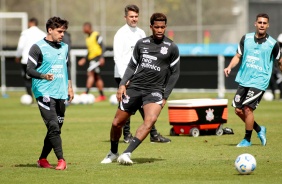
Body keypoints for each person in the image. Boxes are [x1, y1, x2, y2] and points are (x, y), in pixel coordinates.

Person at [101, 13, 180, 165]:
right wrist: (123, 84)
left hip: (155, 90)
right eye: (156, 27)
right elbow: (132, 66)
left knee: (150, 121)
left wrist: (165, 96)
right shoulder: (141, 43)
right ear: (151, 27)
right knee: (117, 123)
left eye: (162, 27)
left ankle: (127, 153)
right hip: (135, 87)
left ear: (166, 28)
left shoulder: (172, 47)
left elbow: (175, 74)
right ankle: (113, 152)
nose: (159, 30)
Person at [113, 4, 171, 143]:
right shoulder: (120, 34)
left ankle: (152, 134)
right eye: (131, 16)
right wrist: (124, 80)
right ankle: (127, 135)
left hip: (139, 76)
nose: (134, 19)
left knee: (144, 104)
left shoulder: (141, 33)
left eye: (136, 16)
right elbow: (118, 57)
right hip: (124, 75)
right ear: (125, 17)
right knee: (126, 106)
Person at [224, 13, 281, 147]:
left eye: (264, 23)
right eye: (259, 22)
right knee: (238, 110)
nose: (262, 25)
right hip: (244, 79)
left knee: (247, 109)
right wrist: (229, 66)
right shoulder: (246, 38)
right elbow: (238, 56)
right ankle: (260, 129)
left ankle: (247, 140)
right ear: (255, 23)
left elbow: (280, 62)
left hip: (260, 81)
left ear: (268, 25)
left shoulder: (273, 44)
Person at [26, 16, 74, 170]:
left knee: (55, 129)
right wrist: (43, 76)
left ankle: (42, 159)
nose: (62, 35)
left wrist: (70, 87)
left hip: (60, 93)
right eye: (59, 31)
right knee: (53, 126)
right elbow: (29, 70)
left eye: (64, 32)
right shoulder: (37, 47)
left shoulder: (64, 47)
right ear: (50, 30)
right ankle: (61, 160)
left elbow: (66, 68)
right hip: (43, 92)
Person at [15, 18, 46, 101]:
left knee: (27, 79)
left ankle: (30, 97)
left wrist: (17, 56)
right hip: (39, 61)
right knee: (39, 79)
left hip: (26, 60)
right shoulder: (42, 34)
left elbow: (21, 46)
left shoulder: (25, 33)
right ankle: (40, 98)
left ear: (30, 23)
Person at [78, 22, 106, 102]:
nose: (83, 30)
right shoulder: (87, 38)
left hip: (97, 58)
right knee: (97, 77)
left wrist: (101, 57)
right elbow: (90, 50)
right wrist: (84, 58)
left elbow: (103, 46)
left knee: (90, 73)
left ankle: (86, 93)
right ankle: (102, 96)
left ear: (88, 28)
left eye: (84, 28)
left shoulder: (96, 35)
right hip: (92, 59)